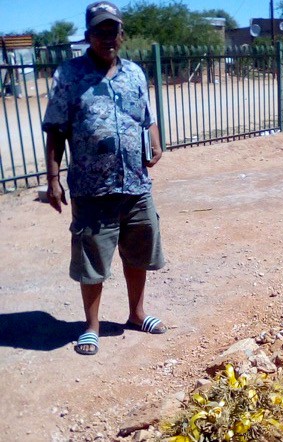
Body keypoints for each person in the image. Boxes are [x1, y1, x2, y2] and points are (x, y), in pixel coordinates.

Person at [42, 1, 167, 356]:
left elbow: (146, 115)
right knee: (92, 259)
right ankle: (92, 327)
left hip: (135, 184)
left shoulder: (135, 73)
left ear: (121, 35)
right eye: (100, 30)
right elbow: (55, 129)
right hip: (92, 188)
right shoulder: (69, 75)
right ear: (88, 36)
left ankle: (136, 314)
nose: (107, 37)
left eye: (113, 30)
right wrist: (53, 179)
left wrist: (155, 140)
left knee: (139, 251)